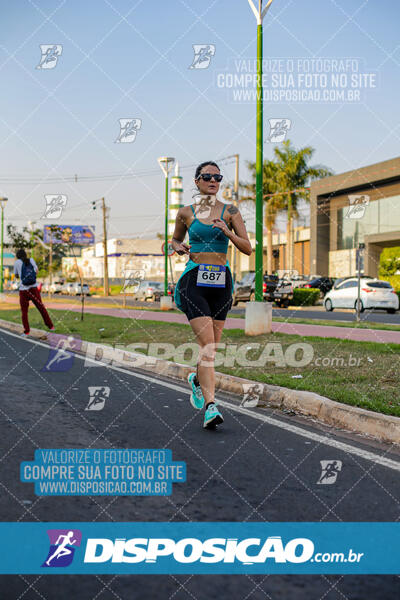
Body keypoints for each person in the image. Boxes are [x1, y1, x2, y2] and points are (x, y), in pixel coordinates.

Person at [172, 161, 252, 429]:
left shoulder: (230, 211)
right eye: (207, 176)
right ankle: (211, 406)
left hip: (221, 282)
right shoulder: (185, 212)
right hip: (194, 279)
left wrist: (227, 232)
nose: (213, 180)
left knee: (211, 350)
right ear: (197, 181)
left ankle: (197, 379)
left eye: (217, 177)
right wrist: (178, 247)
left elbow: (248, 249)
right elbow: (173, 240)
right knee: (207, 347)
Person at [13, 248, 54, 336]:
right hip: (33, 289)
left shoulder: (16, 263)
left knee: (24, 312)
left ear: (17, 256)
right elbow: (37, 271)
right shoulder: (31, 260)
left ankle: (27, 331)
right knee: (41, 307)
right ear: (25, 254)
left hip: (23, 290)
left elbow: (16, 275)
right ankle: (51, 326)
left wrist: (20, 274)